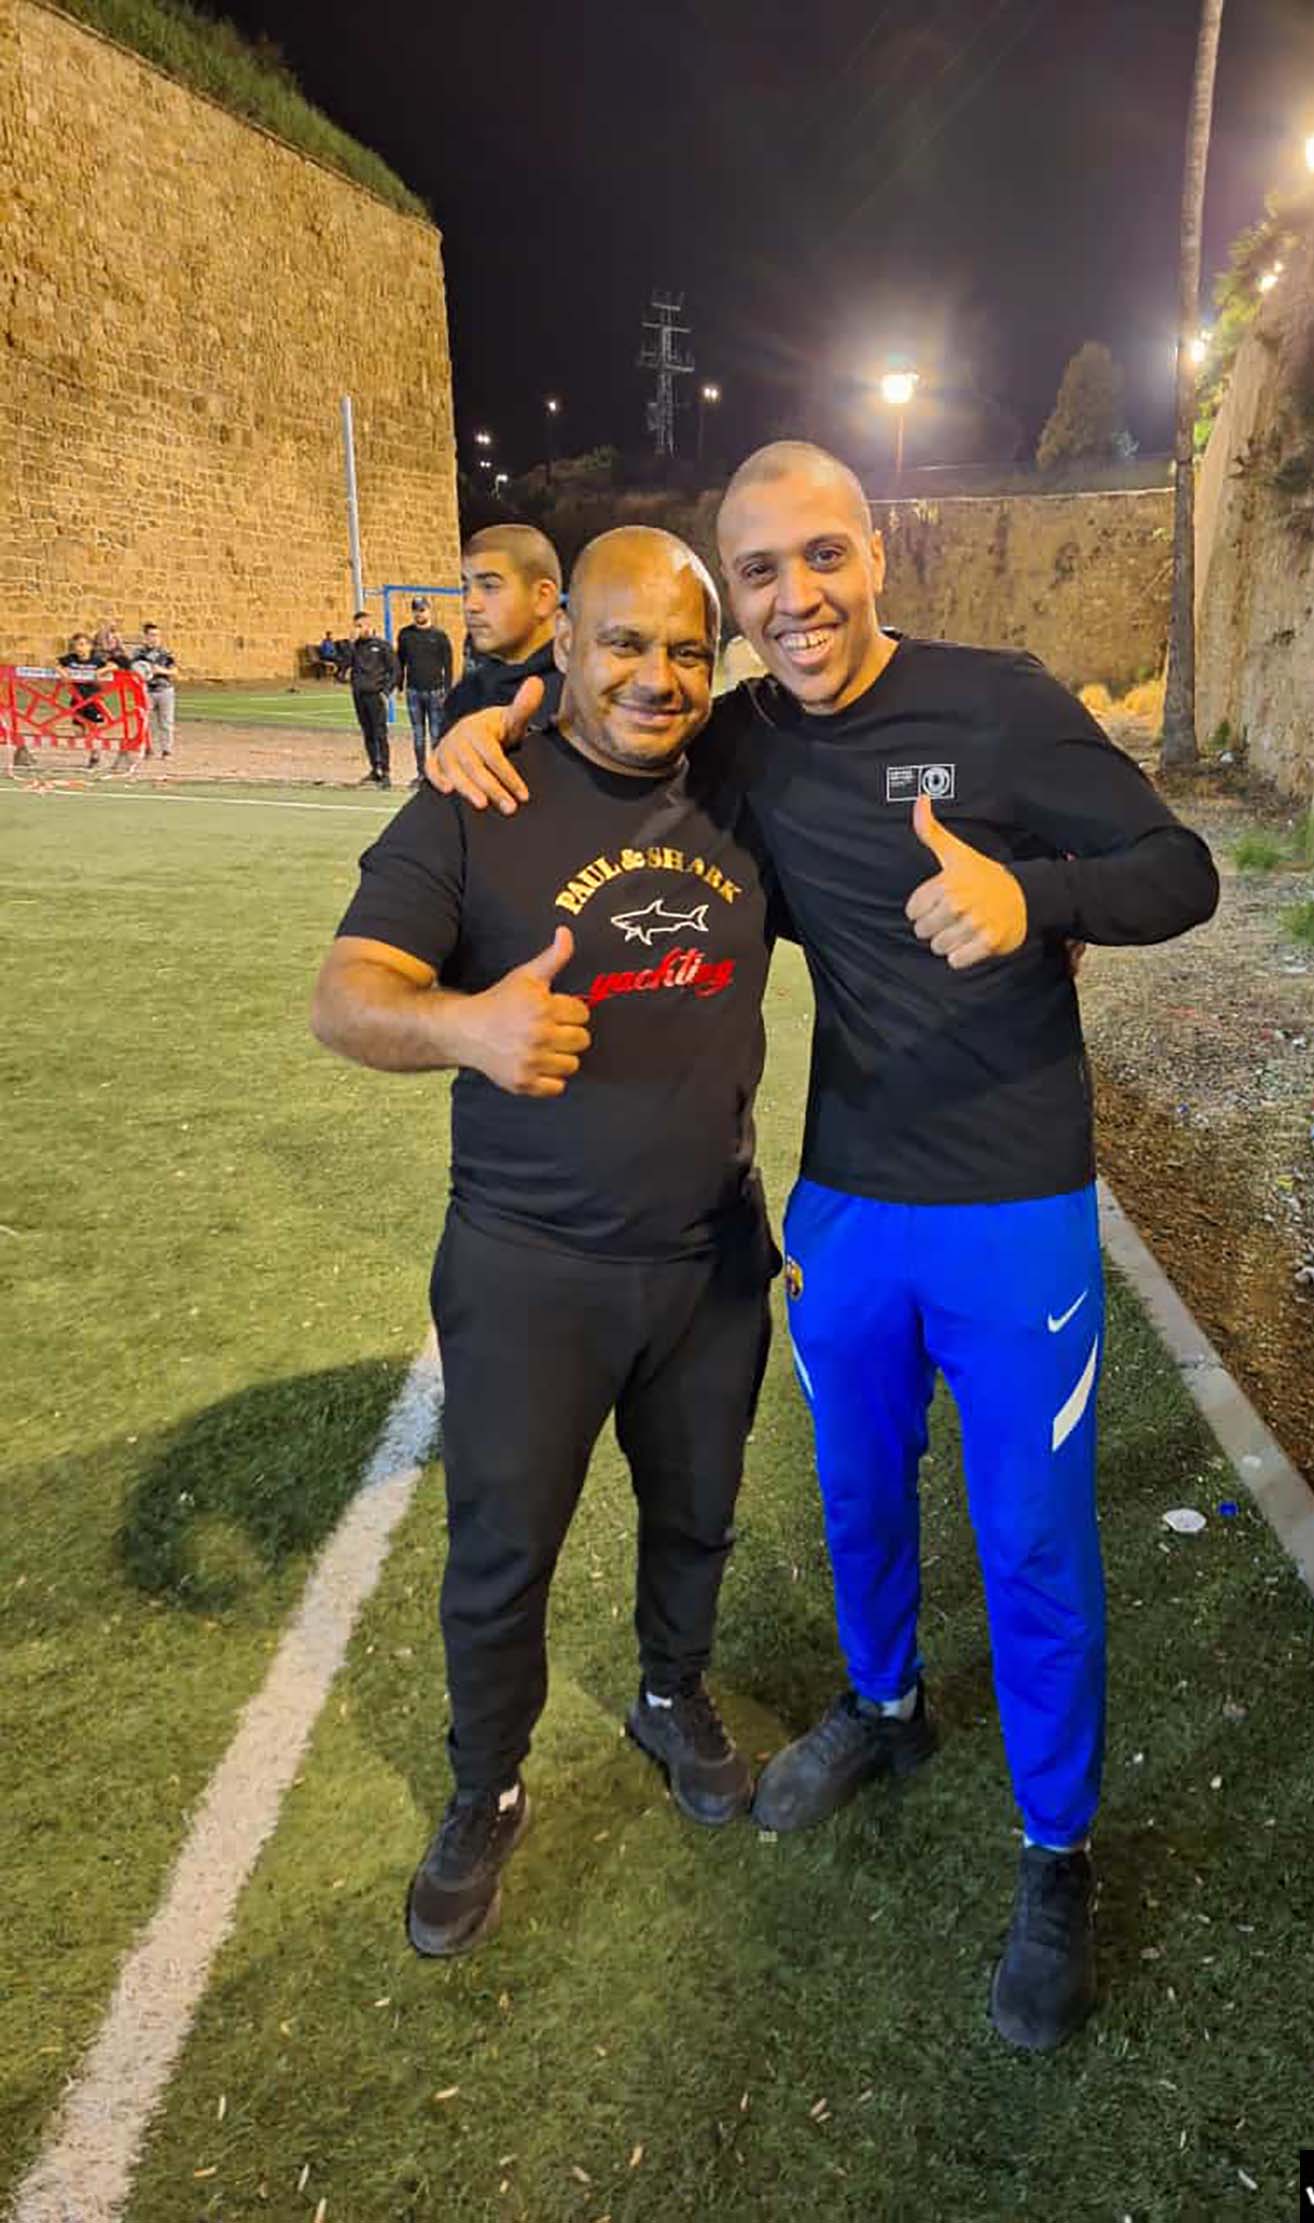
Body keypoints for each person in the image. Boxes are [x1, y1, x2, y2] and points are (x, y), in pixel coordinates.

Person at [429, 443, 1219, 2051]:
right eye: (759, 572)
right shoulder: (743, 740)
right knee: (857, 1492)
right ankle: (881, 1705)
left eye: (820, 557)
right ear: (733, 600)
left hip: (1014, 1204)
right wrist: (488, 714)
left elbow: (1180, 872)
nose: (794, 599)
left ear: (875, 554)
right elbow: (606, 723)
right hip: (848, 1199)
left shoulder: (995, 702)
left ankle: (1054, 1850)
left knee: (1030, 1541)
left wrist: (1032, 899)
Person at [310, 528, 777, 1959]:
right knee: (502, 1551)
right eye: (623, 643)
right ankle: (485, 1785)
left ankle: (669, 1692)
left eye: (687, 650)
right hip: (529, 1265)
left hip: (710, 1257)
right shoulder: (479, 794)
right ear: (562, 642)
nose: (656, 678)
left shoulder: (747, 779)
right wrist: (468, 1026)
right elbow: (347, 994)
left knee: (697, 1512)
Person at [439, 525, 562, 736]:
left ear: (543, 597)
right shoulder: (465, 695)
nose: (470, 604)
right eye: (465, 588)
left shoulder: (582, 695)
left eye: (489, 586)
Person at [396, 596, 455, 787]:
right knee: (418, 736)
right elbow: (400, 662)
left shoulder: (440, 636)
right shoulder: (405, 635)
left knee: (436, 735)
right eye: (416, 610)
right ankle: (421, 774)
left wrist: (447, 690)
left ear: (429, 611)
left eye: (422, 610)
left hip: (435, 692)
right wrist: (399, 686)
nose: (419, 614)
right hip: (413, 691)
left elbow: (448, 665)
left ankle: (436, 774)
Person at [342, 609, 399, 787]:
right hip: (359, 695)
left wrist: (386, 691)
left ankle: (386, 772)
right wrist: (350, 645)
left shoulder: (382, 646)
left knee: (380, 733)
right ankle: (375, 769)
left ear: (370, 625)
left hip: (375, 695)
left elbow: (395, 670)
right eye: (357, 626)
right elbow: (344, 666)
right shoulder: (355, 647)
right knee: (367, 733)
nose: (360, 629)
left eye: (362, 625)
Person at [59, 631, 117, 771]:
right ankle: (92, 745)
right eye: (76, 645)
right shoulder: (71, 659)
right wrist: (62, 672)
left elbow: (113, 666)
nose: (79, 648)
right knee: (78, 732)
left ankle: (95, 756)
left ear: (89, 646)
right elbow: (57, 665)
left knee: (94, 728)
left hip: (93, 699)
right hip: (77, 699)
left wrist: (100, 671)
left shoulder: (96, 660)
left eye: (82, 645)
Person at [131, 621, 178, 766]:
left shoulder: (166, 653)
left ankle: (166, 750)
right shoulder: (138, 653)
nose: (155, 638)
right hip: (146, 690)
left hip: (165, 690)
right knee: (144, 721)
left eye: (157, 635)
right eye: (151, 635)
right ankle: (147, 748)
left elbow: (175, 671)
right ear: (145, 637)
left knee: (166, 722)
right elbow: (133, 669)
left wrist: (161, 670)